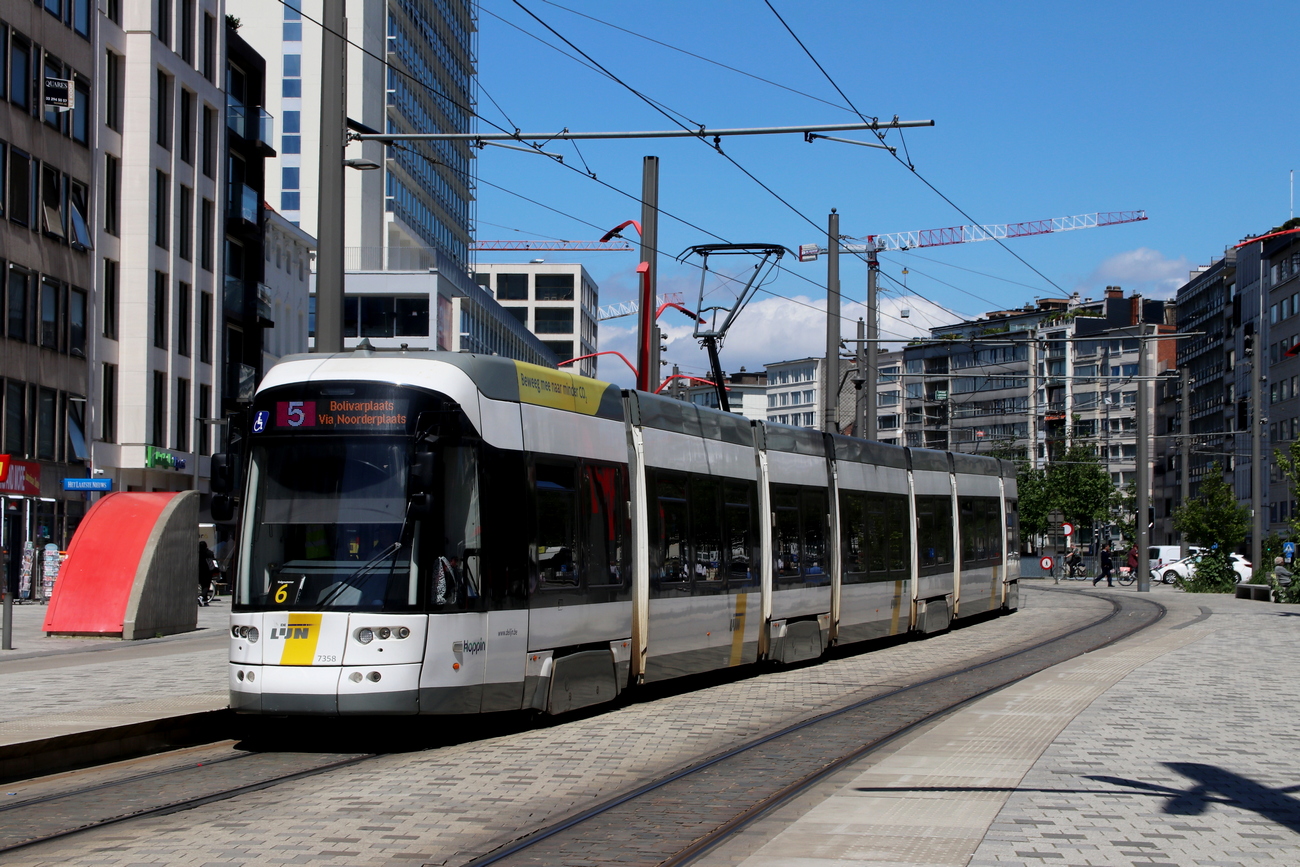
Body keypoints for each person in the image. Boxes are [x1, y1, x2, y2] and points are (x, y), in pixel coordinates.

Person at [197, 541, 217, 605]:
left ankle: (204, 600)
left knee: (202, 584)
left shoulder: (197, 553)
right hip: (208, 571)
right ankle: (202, 596)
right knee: (206, 586)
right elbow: (213, 561)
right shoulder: (209, 553)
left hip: (199, 571)